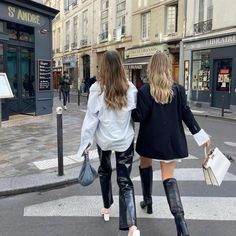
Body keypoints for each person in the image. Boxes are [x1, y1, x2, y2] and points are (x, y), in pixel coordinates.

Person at [132, 52, 210, 236]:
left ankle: (147, 201)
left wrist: (130, 109)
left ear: (151, 68)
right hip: (170, 143)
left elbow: (138, 117)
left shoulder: (144, 91)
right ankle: (181, 223)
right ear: (167, 67)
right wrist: (201, 135)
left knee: (145, 164)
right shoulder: (178, 90)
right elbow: (186, 114)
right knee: (169, 178)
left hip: (149, 141)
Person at [77, 50, 140, 236]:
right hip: (125, 140)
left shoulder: (96, 89)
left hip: (104, 140)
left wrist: (85, 143)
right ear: (121, 67)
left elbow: (91, 120)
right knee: (125, 181)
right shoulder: (131, 88)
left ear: (103, 68)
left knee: (104, 172)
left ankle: (106, 207)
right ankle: (132, 226)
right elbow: (134, 116)